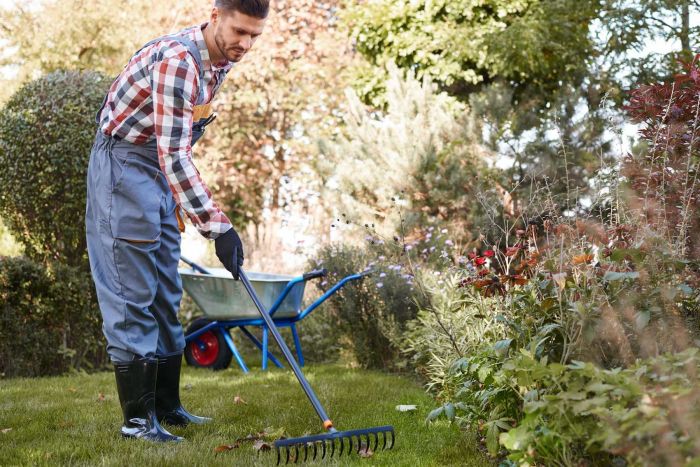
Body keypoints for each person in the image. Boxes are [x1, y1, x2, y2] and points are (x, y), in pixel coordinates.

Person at [85, 0, 268, 442]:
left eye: (254, 36)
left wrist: (186, 204)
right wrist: (217, 226)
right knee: (134, 293)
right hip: (124, 168)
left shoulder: (218, 61)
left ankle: (167, 408)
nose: (245, 44)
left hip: (158, 171)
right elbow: (175, 152)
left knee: (166, 290)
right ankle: (137, 423)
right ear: (214, 15)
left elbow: (176, 142)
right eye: (239, 32)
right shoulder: (178, 61)